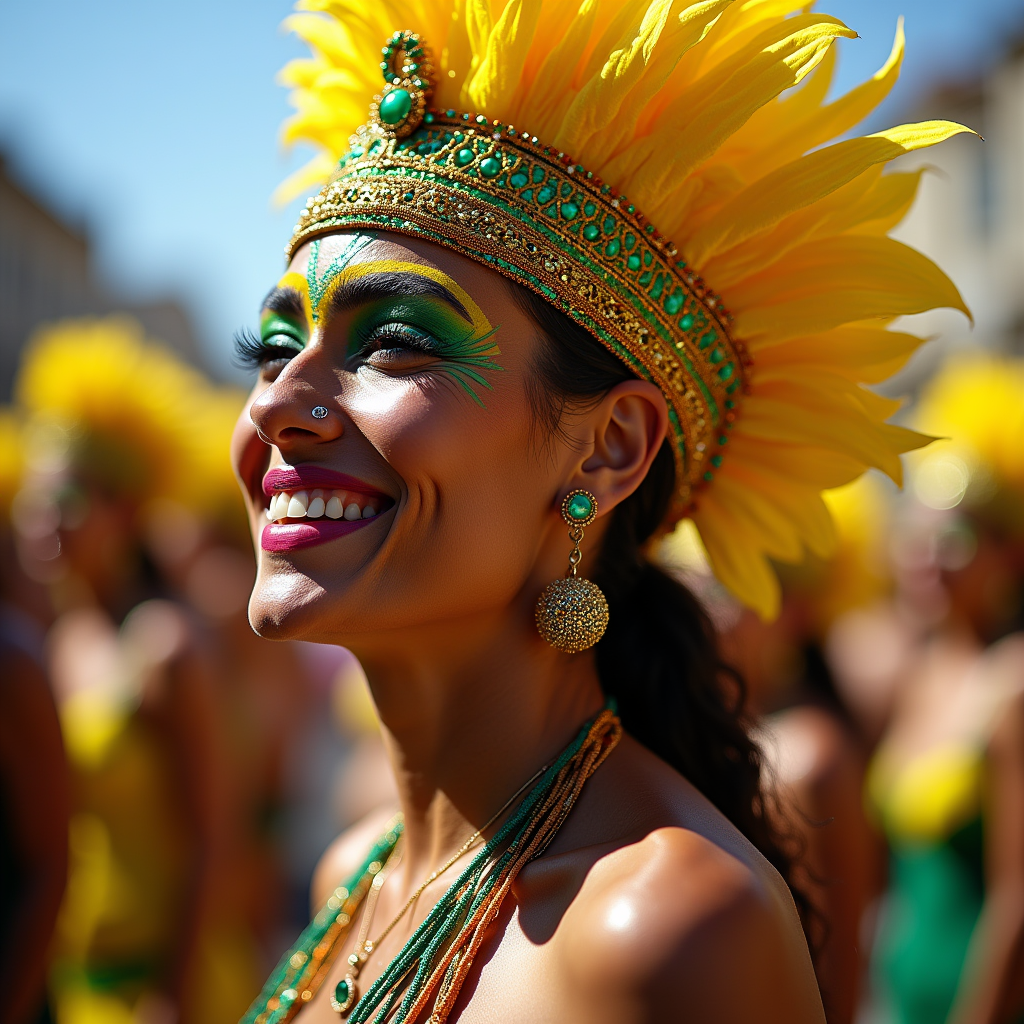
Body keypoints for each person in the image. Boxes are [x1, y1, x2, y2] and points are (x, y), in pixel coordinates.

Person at [232, 4, 969, 1021]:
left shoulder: (667, 929)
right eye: (271, 347)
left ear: (609, 447)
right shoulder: (350, 876)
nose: (274, 401)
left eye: (395, 340)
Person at [864, 354, 1024, 1024]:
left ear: (1009, 555)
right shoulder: (915, 671)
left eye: (954, 537)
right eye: (919, 534)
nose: (930, 556)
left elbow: (1018, 897)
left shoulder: (1014, 682)